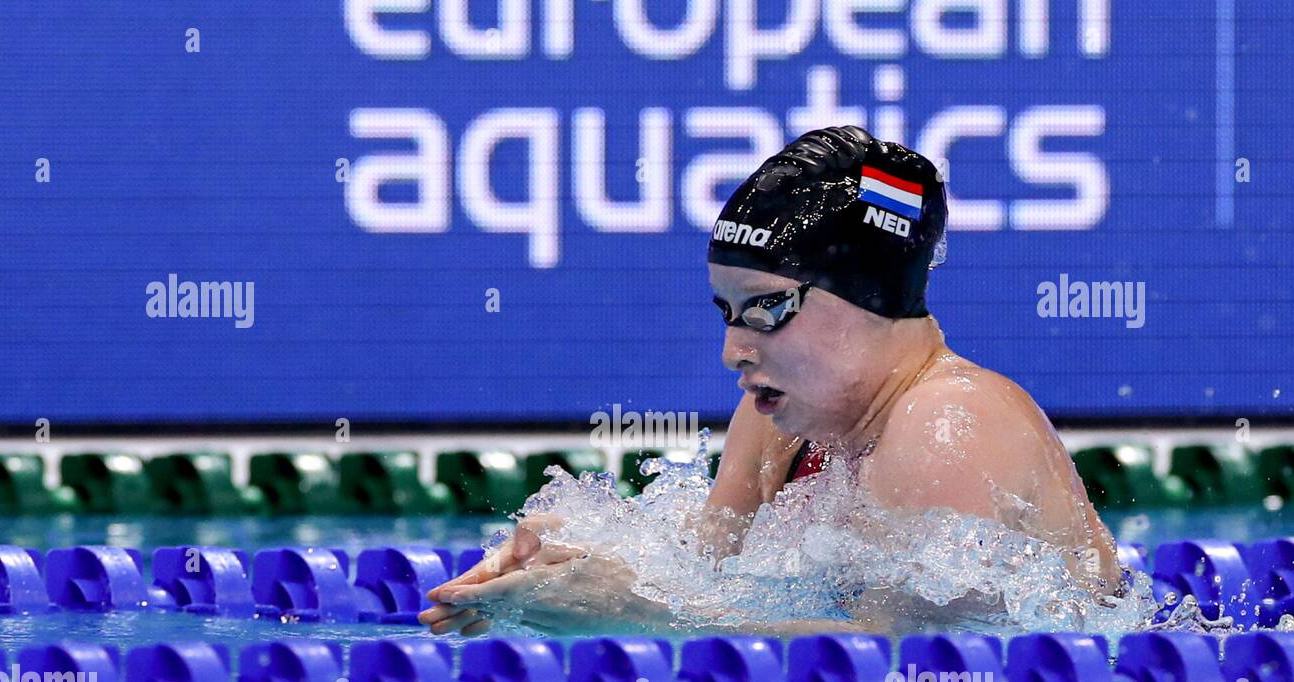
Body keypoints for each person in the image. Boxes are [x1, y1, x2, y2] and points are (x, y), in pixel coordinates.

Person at [420, 126, 1121, 638]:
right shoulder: (780, 420)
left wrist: (633, 612)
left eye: (766, 309)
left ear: (867, 297)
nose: (733, 351)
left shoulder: (947, 426)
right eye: (728, 313)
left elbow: (903, 666)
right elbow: (706, 576)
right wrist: (571, 566)